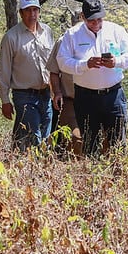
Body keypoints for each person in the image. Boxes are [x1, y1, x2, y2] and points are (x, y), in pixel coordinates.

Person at [56, 0, 128, 157]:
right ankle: (91, 176)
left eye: (99, 19)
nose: (96, 23)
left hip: (113, 95)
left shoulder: (115, 30)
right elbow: (62, 62)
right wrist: (85, 64)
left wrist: (117, 61)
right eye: (91, 20)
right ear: (83, 17)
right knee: (89, 143)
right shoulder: (72, 35)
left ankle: (119, 175)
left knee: (117, 143)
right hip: (85, 97)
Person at [0, 0, 55, 152]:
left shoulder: (47, 32)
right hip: (24, 95)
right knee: (34, 137)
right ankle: (31, 168)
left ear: (39, 11)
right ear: (21, 13)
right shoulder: (11, 37)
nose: (32, 14)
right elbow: (4, 70)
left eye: (35, 10)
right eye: (28, 10)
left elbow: (53, 63)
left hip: (45, 94)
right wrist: (5, 100)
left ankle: (30, 166)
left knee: (45, 138)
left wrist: (56, 91)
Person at [46, 12, 83, 157]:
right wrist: (57, 92)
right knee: (74, 139)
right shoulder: (63, 42)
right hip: (70, 101)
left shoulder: (99, 39)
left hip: (95, 99)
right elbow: (53, 71)